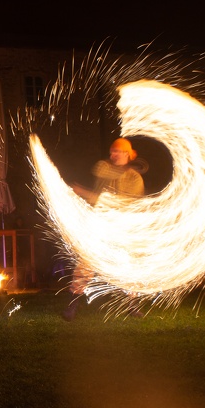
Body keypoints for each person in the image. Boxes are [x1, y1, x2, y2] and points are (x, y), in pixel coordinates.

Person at [63, 137, 147, 321]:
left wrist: (85, 192)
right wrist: (85, 193)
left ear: (127, 154)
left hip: (122, 228)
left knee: (130, 267)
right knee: (85, 264)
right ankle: (72, 306)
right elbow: (100, 196)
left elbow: (124, 202)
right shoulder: (105, 171)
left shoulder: (134, 178)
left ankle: (132, 306)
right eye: (111, 151)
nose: (112, 154)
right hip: (101, 225)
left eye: (117, 151)